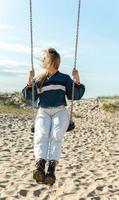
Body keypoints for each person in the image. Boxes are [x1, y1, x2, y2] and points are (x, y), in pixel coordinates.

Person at [22, 48, 85, 185]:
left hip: (60, 111)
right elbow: (30, 97)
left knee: (56, 135)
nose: (42, 60)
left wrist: (77, 79)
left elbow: (75, 95)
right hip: (43, 111)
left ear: (52, 61)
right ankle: (39, 165)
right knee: (41, 134)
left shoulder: (64, 78)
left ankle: (51, 169)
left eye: (44, 58)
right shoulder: (39, 79)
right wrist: (29, 81)